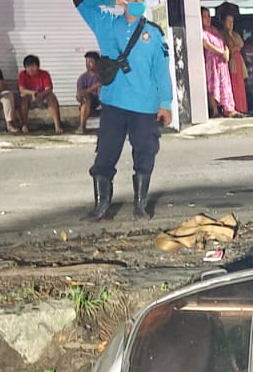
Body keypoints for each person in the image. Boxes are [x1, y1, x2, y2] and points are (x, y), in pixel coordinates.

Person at [74, 0, 174, 221]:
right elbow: (81, 3)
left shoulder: (154, 33)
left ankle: (140, 206)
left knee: (145, 153)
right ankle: (101, 206)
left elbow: (161, 71)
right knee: (105, 154)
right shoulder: (106, 24)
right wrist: (110, 1)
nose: (138, 2)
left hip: (145, 106)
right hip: (114, 105)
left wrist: (166, 104)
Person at [200, 7, 240, 118]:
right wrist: (220, 52)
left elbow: (223, 42)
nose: (208, 19)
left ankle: (229, 108)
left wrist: (226, 51)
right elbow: (206, 44)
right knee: (213, 85)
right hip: (211, 62)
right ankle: (215, 111)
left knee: (225, 85)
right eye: (204, 17)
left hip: (222, 62)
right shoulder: (201, 31)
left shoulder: (214, 30)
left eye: (209, 16)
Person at [16, 55, 64, 134]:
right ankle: (24, 125)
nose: (30, 69)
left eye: (33, 66)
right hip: (30, 98)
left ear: (38, 66)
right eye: (28, 67)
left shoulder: (44, 74)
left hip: (42, 97)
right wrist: (33, 93)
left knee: (51, 97)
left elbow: (49, 88)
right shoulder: (22, 74)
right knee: (23, 98)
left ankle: (57, 126)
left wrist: (41, 95)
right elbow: (22, 89)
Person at [219, 8, 248, 115]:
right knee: (233, 84)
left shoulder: (235, 34)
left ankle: (243, 108)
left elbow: (240, 44)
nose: (230, 24)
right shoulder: (222, 34)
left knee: (240, 86)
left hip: (238, 61)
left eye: (232, 22)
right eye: (228, 22)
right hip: (231, 62)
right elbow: (229, 46)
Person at [76, 50, 102, 134]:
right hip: (91, 102)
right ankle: (82, 126)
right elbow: (79, 96)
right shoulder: (83, 78)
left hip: (104, 100)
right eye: (86, 61)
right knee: (86, 99)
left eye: (91, 61)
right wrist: (85, 93)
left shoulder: (104, 75)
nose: (88, 64)